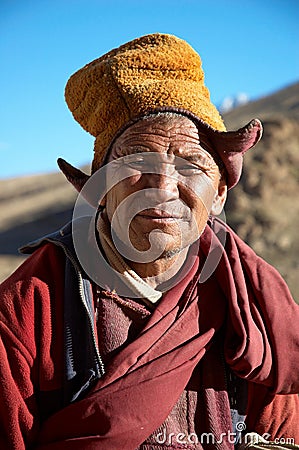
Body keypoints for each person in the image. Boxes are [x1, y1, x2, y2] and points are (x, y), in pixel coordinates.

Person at [0, 33, 298, 450]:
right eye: (136, 161)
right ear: (99, 190)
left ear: (220, 193)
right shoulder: (30, 307)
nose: (163, 186)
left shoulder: (253, 301)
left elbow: (282, 432)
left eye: (191, 163)